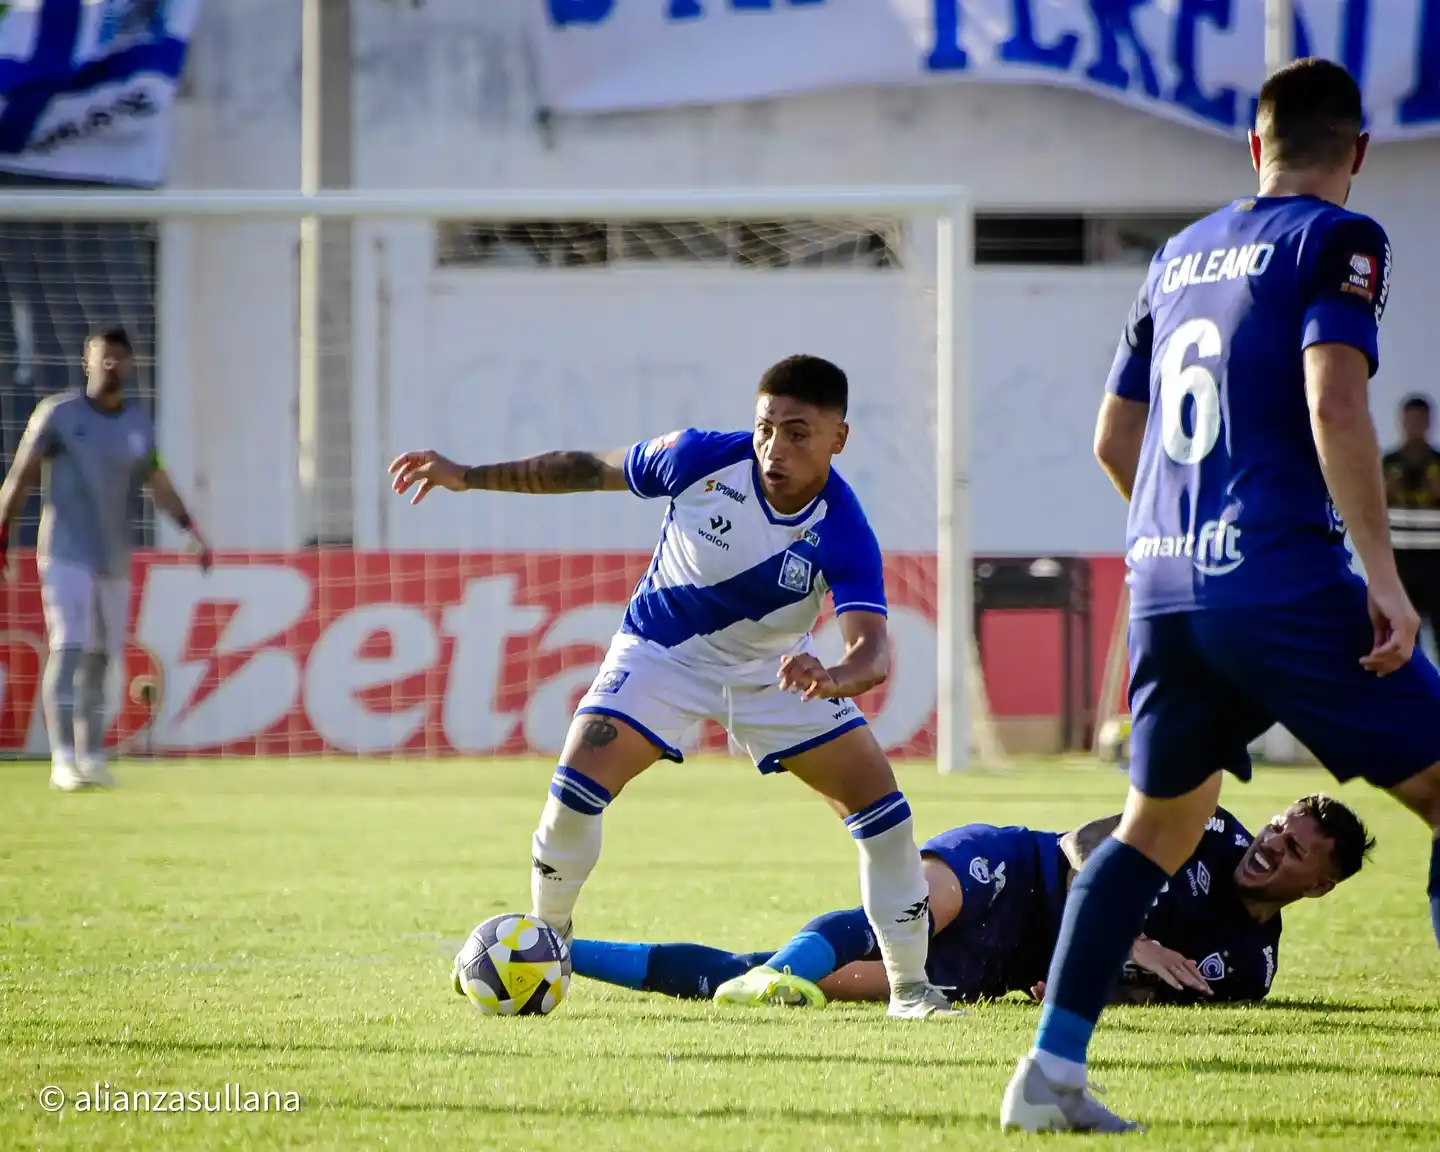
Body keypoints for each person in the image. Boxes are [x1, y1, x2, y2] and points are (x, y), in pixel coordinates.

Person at [1001, 58, 1440, 1134]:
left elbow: (1115, 438)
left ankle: (1050, 1075)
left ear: (1254, 145)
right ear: (1359, 151)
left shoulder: (1180, 251)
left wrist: (1183, 544)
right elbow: (1336, 404)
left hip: (1162, 578)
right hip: (1279, 577)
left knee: (1154, 830)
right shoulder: (1342, 237)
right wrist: (1384, 579)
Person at [389, 354, 953, 1018]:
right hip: (661, 655)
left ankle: (910, 990)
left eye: (798, 433)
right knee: (575, 786)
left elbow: (872, 653)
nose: (774, 448)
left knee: (886, 816)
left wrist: (833, 677)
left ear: (839, 438)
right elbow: (584, 468)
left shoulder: (844, 528)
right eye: (766, 427)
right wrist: (467, 476)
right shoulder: (696, 458)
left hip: (772, 673)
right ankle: (548, 944)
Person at [567, 795, 1372, 1010]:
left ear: (1320, 885)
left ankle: (562, 954)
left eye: (1295, 850)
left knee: (803, 985)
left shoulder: (1249, 969)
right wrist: (1128, 937)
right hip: (1018, 868)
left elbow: (1151, 995)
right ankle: (775, 970)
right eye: (1279, 828)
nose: (1272, 845)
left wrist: (1091, 983)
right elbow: (1081, 846)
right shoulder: (1207, 825)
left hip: (1006, 963)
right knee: (901, 913)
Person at [0, 328, 211, 791]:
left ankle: (91, 755)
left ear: (131, 365)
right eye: (102, 358)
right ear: (86, 364)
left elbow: (158, 481)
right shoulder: (59, 415)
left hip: (114, 558)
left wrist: (190, 530)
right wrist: (3, 530)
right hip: (64, 552)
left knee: (101, 659)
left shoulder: (138, 426)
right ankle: (62, 759)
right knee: (68, 646)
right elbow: (21, 475)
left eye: (118, 358)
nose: (110, 365)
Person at [1383, 395, 1440, 652]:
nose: (1415, 426)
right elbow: (1373, 505)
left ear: (1428, 422)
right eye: (1410, 420)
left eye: (1420, 420)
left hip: (1436, 561)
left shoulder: (1437, 462)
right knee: (1404, 638)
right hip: (1400, 562)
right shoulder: (1389, 463)